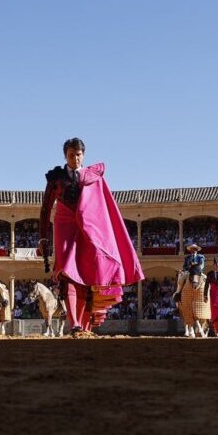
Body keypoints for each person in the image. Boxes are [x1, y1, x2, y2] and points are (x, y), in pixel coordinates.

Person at [37, 138, 143, 337]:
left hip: (89, 228)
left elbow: (103, 208)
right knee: (67, 273)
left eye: (78, 155)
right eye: (71, 155)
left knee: (88, 277)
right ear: (65, 156)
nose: (75, 158)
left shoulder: (93, 177)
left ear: (83, 155)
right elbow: (45, 210)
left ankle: (84, 325)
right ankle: (75, 323)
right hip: (64, 226)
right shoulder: (56, 179)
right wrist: (43, 238)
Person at [174, 244, 211, 338]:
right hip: (189, 272)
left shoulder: (201, 257)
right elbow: (185, 266)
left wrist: (196, 267)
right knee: (181, 279)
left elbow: (202, 265)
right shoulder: (187, 257)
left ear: (197, 250)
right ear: (190, 250)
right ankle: (178, 294)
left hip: (198, 272)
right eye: (192, 249)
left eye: (195, 249)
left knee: (206, 280)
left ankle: (208, 296)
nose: (193, 251)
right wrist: (189, 268)